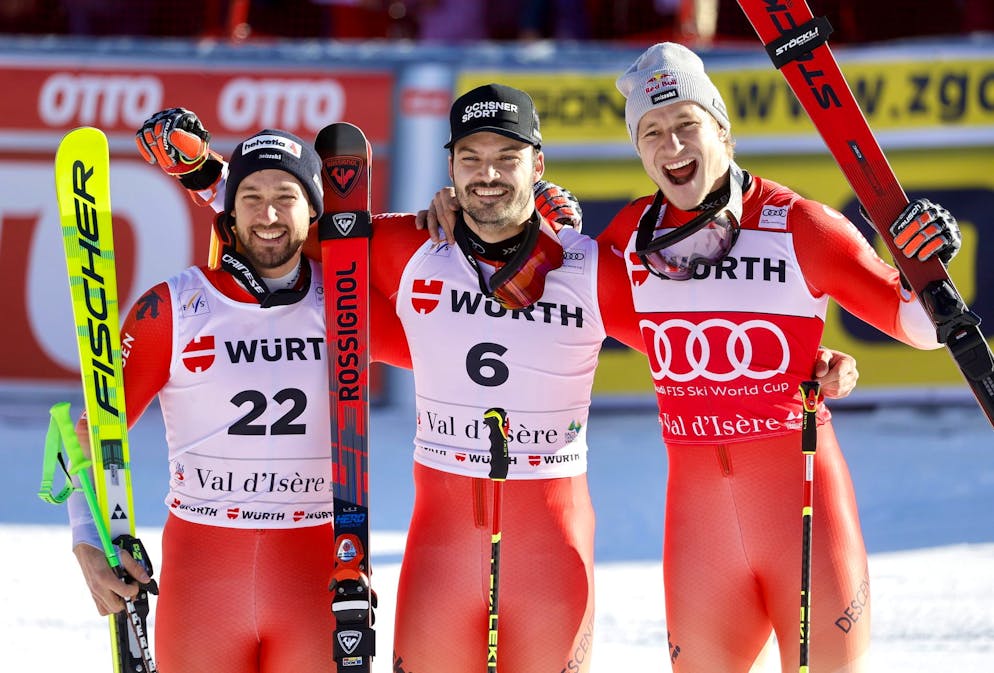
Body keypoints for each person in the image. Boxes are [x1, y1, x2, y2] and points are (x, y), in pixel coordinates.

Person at [132, 90, 858, 673]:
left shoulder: (588, 265)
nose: (488, 171)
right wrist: (210, 180)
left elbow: (689, 334)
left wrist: (803, 361)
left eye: (507, 156)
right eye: (472, 157)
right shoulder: (417, 244)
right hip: (440, 555)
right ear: (450, 168)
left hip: (552, 550)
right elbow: (291, 236)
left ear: (537, 165)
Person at [422, 48, 961, 673]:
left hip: (804, 512)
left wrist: (928, 263)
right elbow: (530, 292)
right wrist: (464, 210)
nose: (672, 144)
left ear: (722, 130)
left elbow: (921, 328)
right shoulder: (627, 239)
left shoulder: (801, 226)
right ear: (638, 149)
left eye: (687, 124)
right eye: (652, 131)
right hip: (699, 527)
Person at [67, 126, 408, 672]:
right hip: (204, 574)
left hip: (314, 570)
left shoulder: (347, 303)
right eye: (251, 198)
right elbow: (85, 430)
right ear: (229, 213)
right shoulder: (173, 307)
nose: (267, 215)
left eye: (285, 197)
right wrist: (89, 540)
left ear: (312, 211)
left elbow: (455, 340)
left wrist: (533, 230)